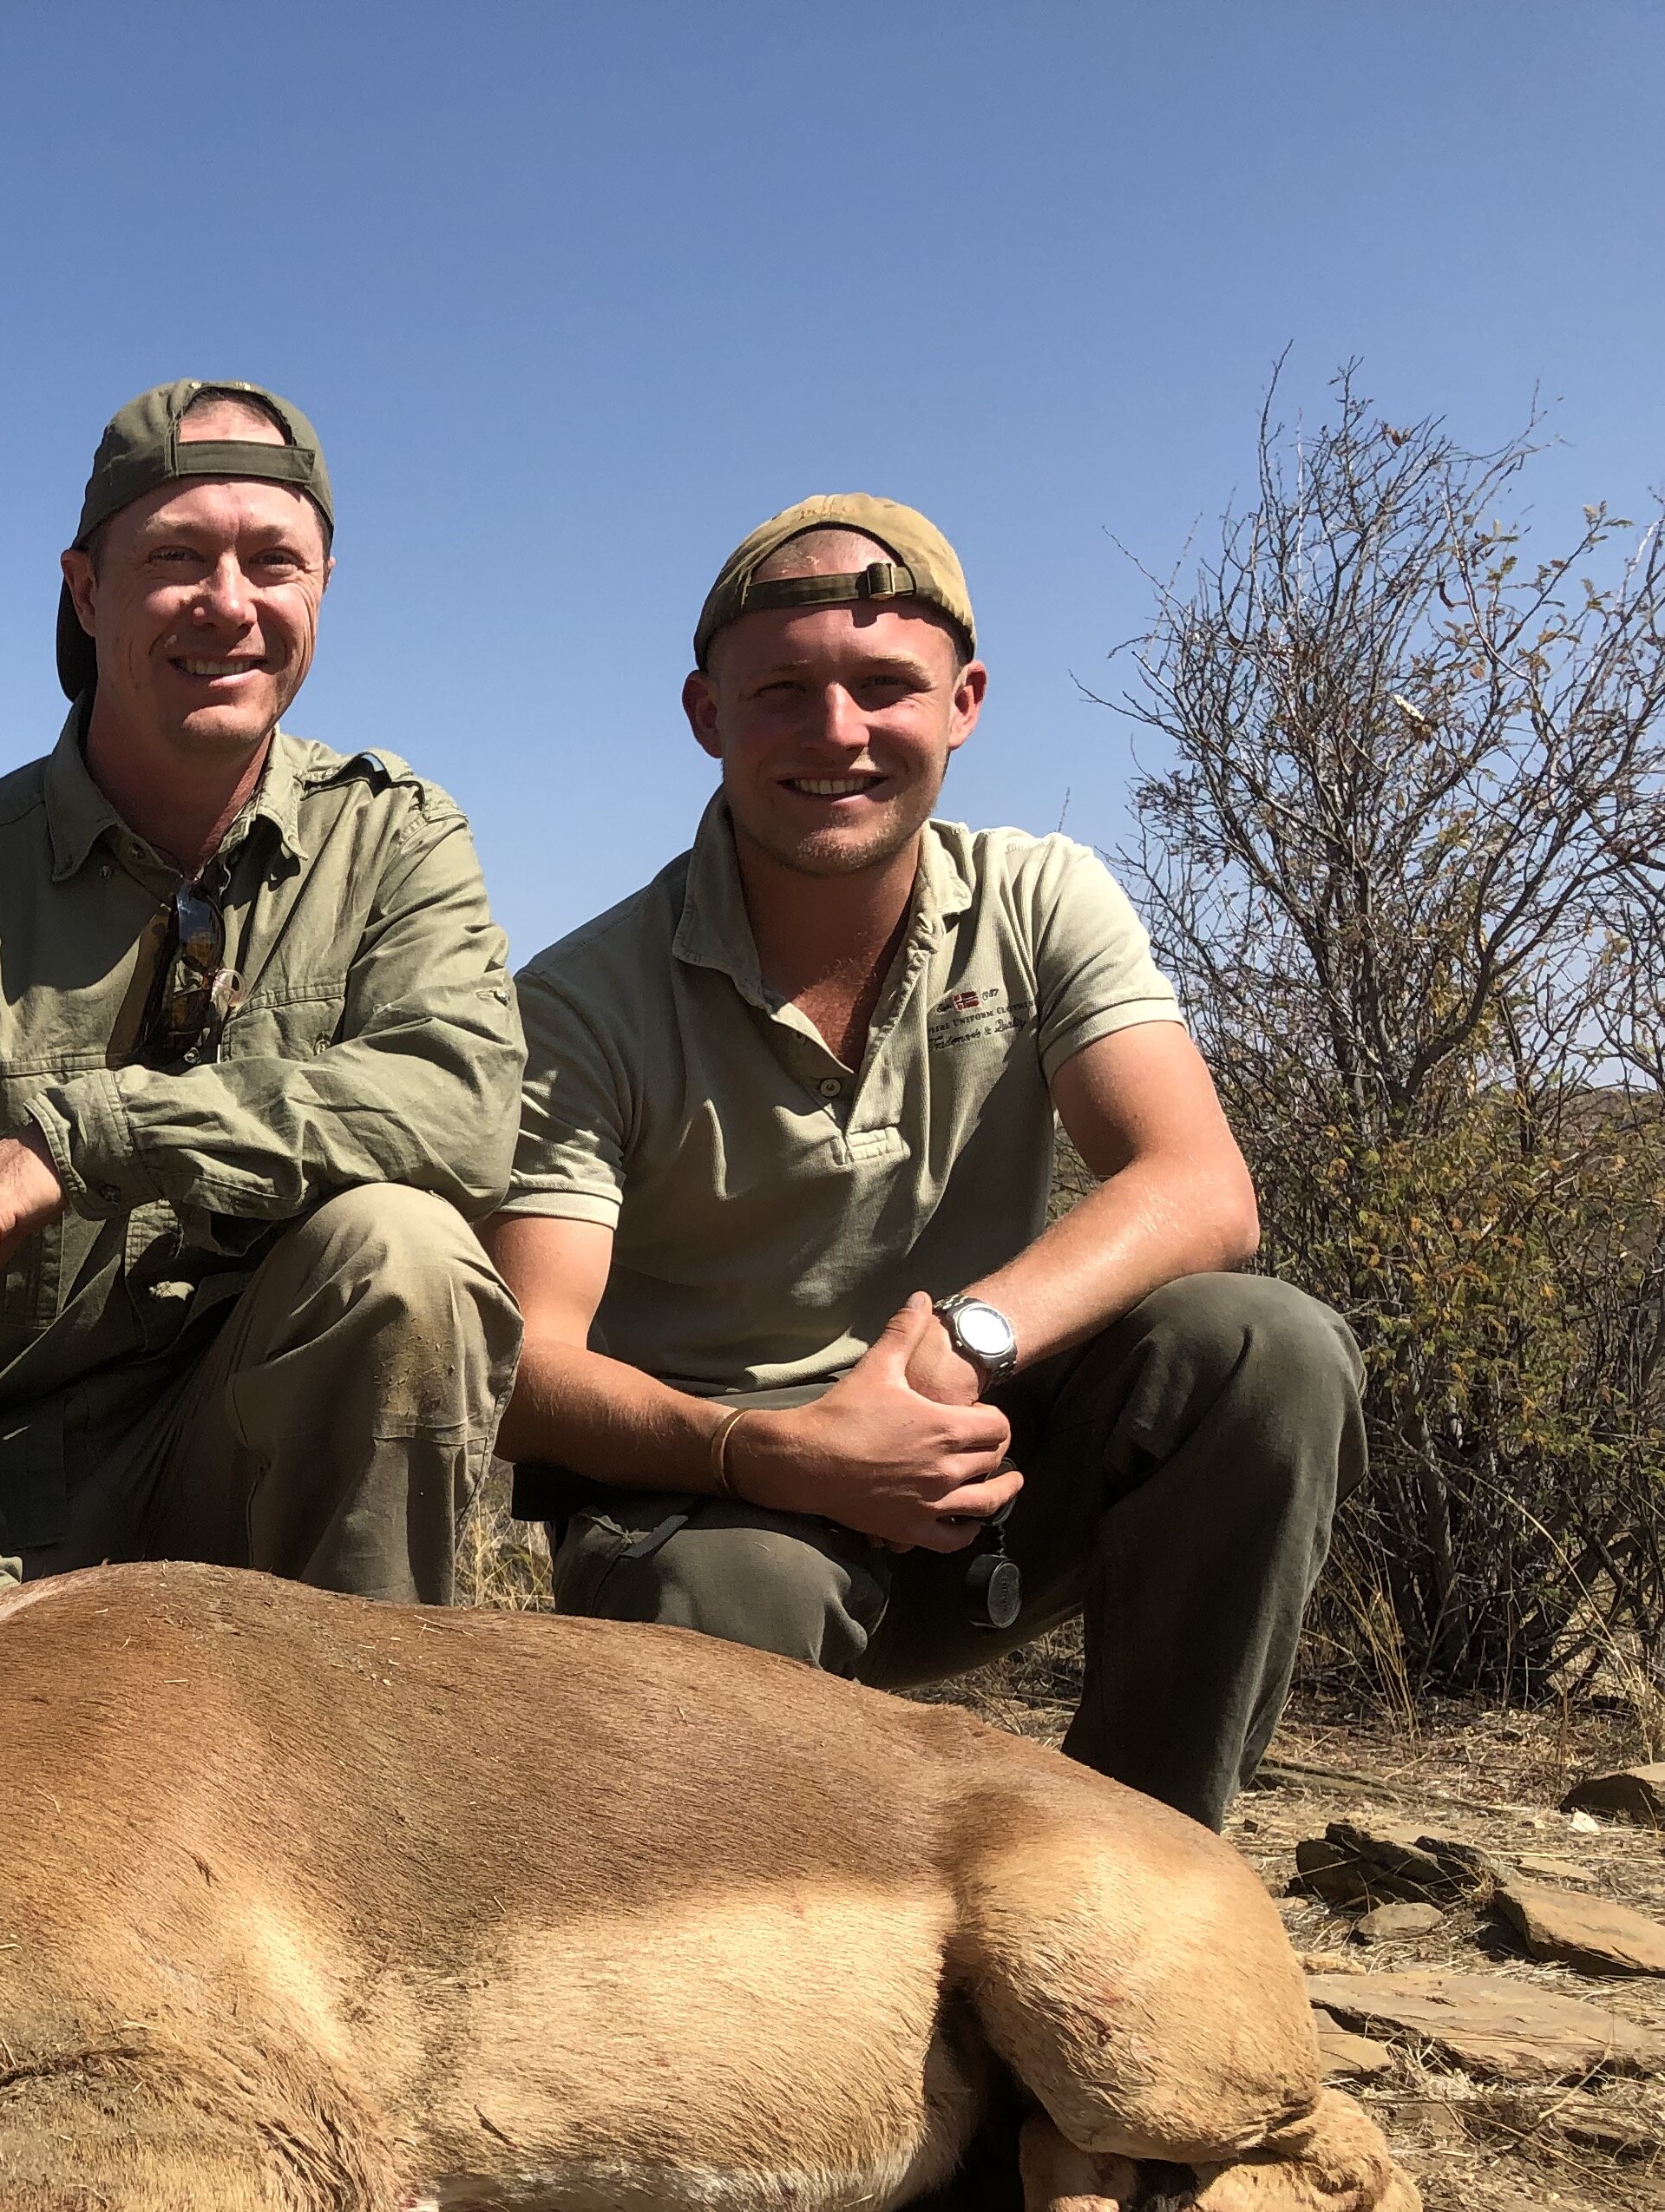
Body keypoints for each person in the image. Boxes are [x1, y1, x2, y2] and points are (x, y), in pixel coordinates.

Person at [489, 495, 1362, 1826]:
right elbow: (528, 1363)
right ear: (707, 716)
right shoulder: (582, 997)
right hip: (714, 1515)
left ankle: (1151, 1885)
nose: (836, 732)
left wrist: (960, 1350)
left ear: (964, 702)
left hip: (968, 1477)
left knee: (1265, 1349)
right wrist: (773, 1451)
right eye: (782, 690)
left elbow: (1199, 1187)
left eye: (883, 686)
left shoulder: (1042, 896)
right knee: (736, 1598)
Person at [0, 379, 522, 1664]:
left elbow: (460, 1111)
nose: (228, 603)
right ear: (85, 590)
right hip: (5, 1522)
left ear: (322, 589)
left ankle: (373, 1757)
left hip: (274, 1494)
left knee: (404, 1253)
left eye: (272, 563)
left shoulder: (399, 839)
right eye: (175, 558)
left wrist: (86, 1142)